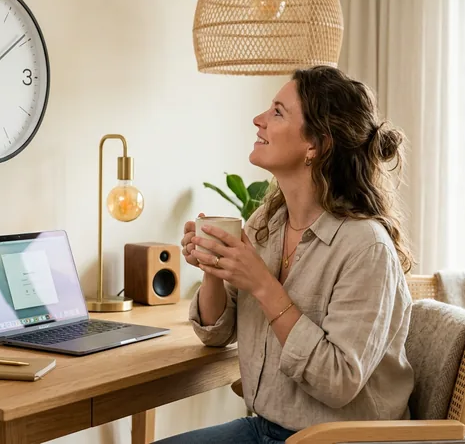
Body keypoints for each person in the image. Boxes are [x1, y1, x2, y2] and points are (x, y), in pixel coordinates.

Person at [156, 66, 416, 444]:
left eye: (278, 112)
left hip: (334, 440)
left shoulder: (366, 247)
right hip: (264, 429)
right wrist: (213, 268)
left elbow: (338, 381)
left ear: (317, 145)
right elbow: (217, 334)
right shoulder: (270, 221)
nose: (258, 120)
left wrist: (262, 284)